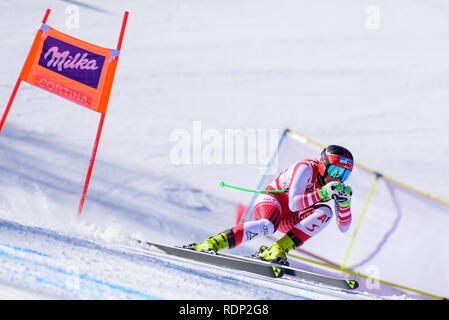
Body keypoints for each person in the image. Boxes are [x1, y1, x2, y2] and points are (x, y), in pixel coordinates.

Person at [185, 145, 354, 266]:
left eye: (344, 174)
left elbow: (343, 228)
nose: (338, 178)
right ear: (323, 166)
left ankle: (276, 249)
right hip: (273, 201)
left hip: (289, 218)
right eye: (335, 172)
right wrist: (323, 193)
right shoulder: (307, 168)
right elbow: (294, 203)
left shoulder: (334, 186)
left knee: (326, 212)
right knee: (268, 225)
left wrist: (345, 203)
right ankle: (212, 243)